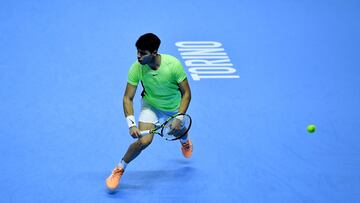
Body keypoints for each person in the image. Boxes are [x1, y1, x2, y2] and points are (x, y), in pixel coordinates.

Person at [106, 33, 193, 191]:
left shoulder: (173, 65)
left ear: (154, 52)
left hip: (173, 107)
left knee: (178, 131)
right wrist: (131, 124)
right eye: (137, 52)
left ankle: (185, 140)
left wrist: (179, 117)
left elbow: (187, 93)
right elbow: (127, 98)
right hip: (150, 105)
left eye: (142, 53)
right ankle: (119, 168)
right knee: (144, 141)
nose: (138, 56)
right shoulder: (136, 68)